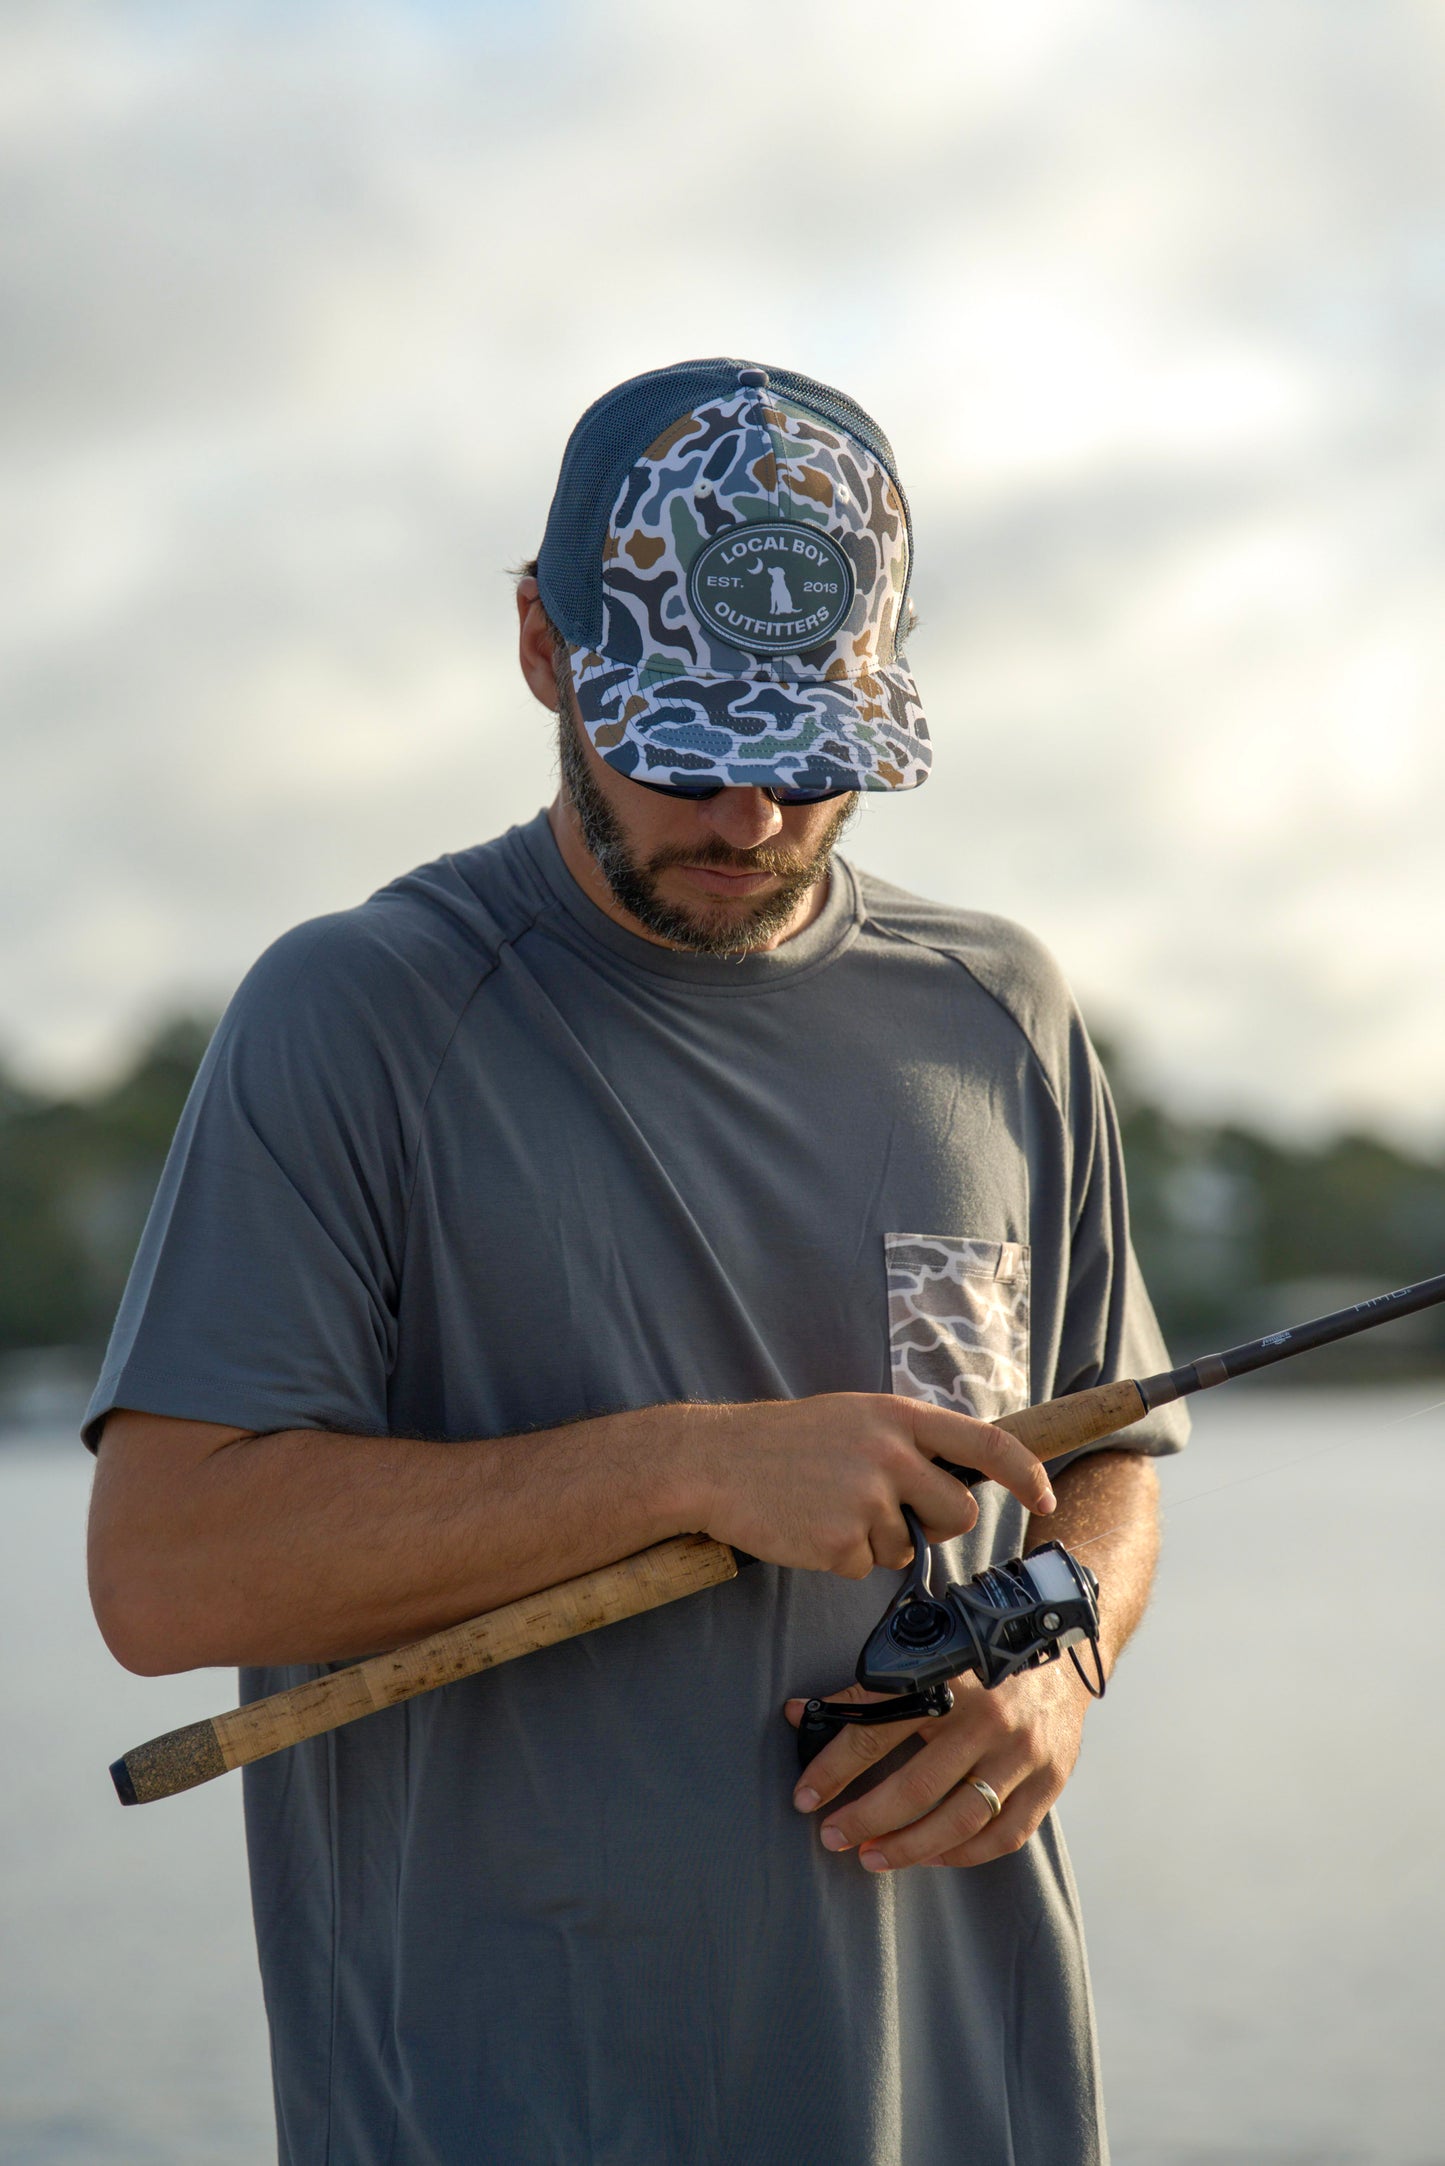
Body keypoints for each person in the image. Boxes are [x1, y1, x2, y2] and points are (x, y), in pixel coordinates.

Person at [87, 357, 1188, 2166]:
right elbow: (163, 1573)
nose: (745, 820)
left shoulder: (1003, 1009)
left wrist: (1059, 1653)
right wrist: (686, 1464)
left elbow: (1107, 1459)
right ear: (542, 646)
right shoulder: (352, 1015)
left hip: (965, 2107)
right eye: (682, 749)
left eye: (806, 755)